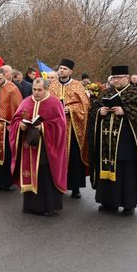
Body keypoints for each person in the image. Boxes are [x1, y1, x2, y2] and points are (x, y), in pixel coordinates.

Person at [88, 65, 137, 215]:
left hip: (127, 143)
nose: (116, 80)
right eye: (114, 78)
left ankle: (128, 204)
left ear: (127, 77)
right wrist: (101, 111)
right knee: (106, 171)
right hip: (106, 144)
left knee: (127, 173)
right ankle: (108, 202)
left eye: (119, 78)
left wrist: (125, 111)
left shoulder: (136, 94)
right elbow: (92, 111)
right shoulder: (106, 92)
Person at [10, 78, 67, 216]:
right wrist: (20, 126)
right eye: (34, 90)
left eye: (39, 90)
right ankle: (30, 206)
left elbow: (60, 126)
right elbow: (15, 120)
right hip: (27, 147)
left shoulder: (54, 103)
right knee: (29, 172)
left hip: (45, 148)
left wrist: (42, 126)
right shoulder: (26, 101)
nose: (36, 93)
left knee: (44, 174)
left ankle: (48, 206)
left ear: (46, 89)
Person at [48, 58, 89, 199]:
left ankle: (75, 187)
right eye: (60, 68)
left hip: (73, 128)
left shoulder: (77, 85)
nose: (61, 70)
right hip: (56, 128)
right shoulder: (52, 86)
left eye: (64, 69)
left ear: (70, 71)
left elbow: (84, 105)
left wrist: (69, 109)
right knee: (56, 156)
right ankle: (57, 184)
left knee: (74, 158)